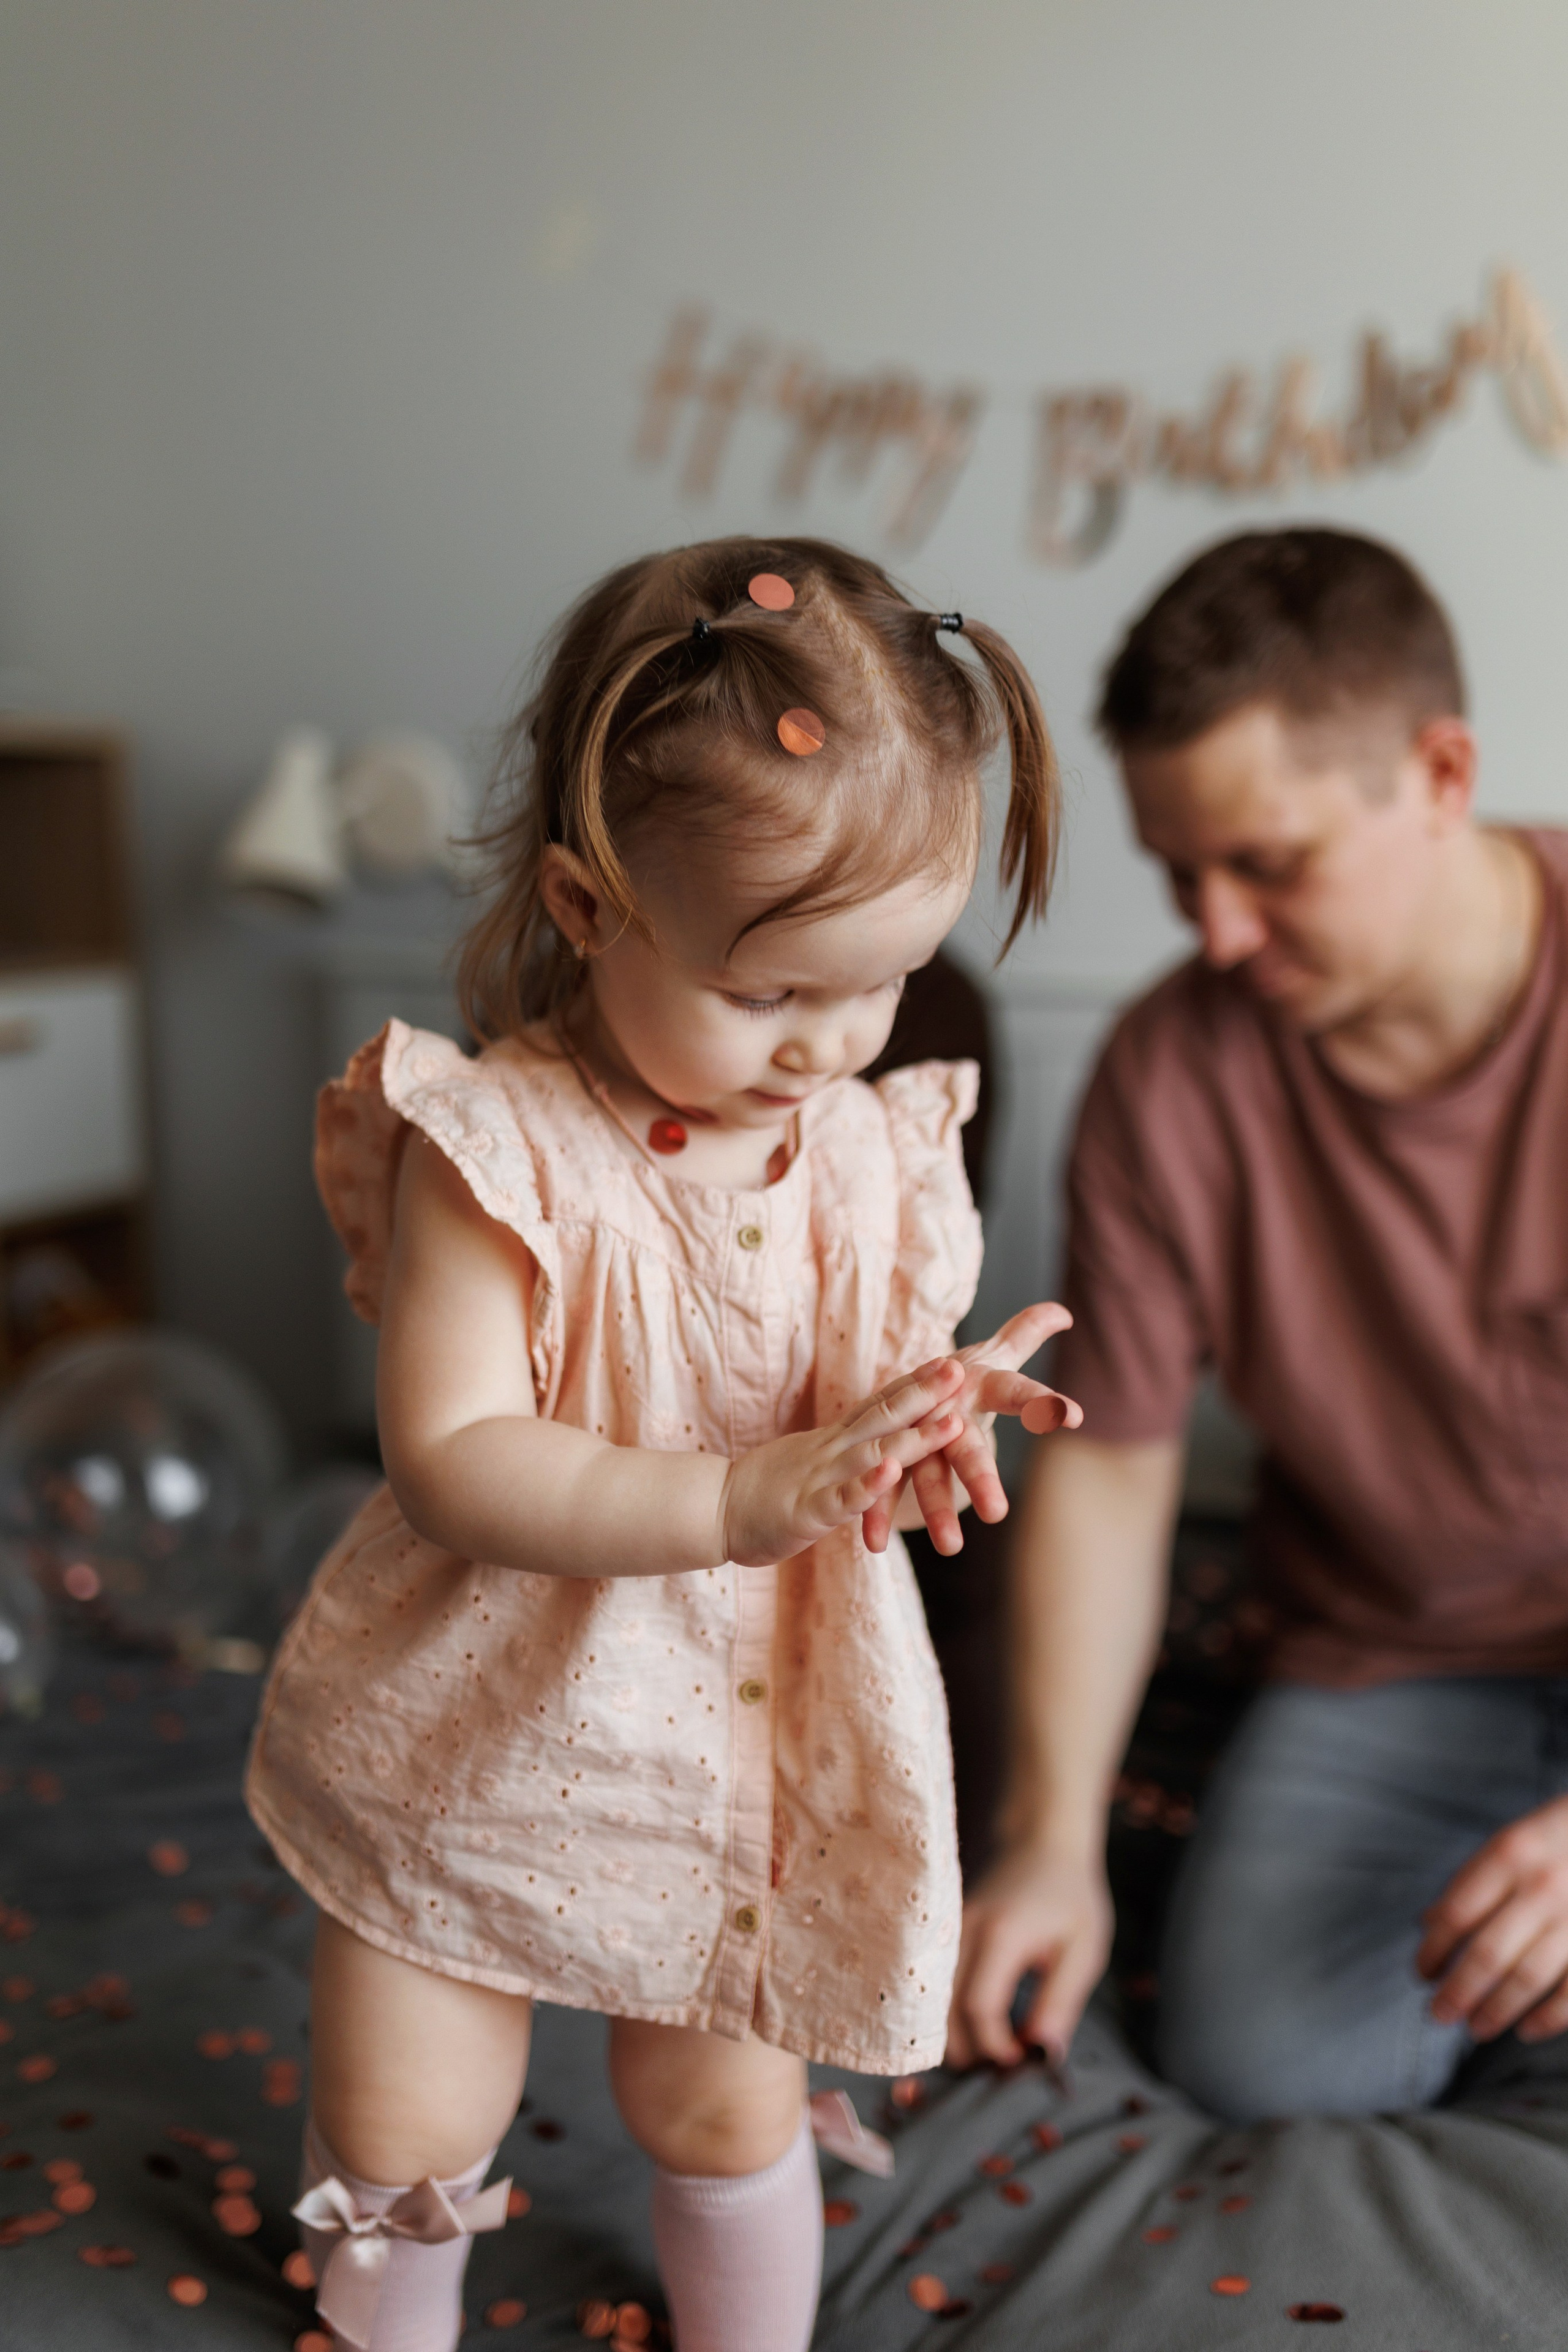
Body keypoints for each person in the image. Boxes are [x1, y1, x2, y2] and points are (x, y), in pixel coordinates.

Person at [245, 535, 1083, 2352]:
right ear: (589, 900)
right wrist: (738, 1494)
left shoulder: (871, 1144)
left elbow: (847, 1387)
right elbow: (454, 1453)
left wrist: (921, 1420)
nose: (826, 1051)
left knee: (728, 2108)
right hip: (477, 1725)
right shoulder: (503, 1152)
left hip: (744, 1753)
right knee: (409, 2115)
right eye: (772, 994)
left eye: (877, 989)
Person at [949, 525, 1568, 2124]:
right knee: (1263, 2060)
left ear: (1439, 775)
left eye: (1268, 865)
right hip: (1397, 1657)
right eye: (1177, 874)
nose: (1214, 933)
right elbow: (1112, 1470)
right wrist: (1050, 1843)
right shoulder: (1170, 1075)